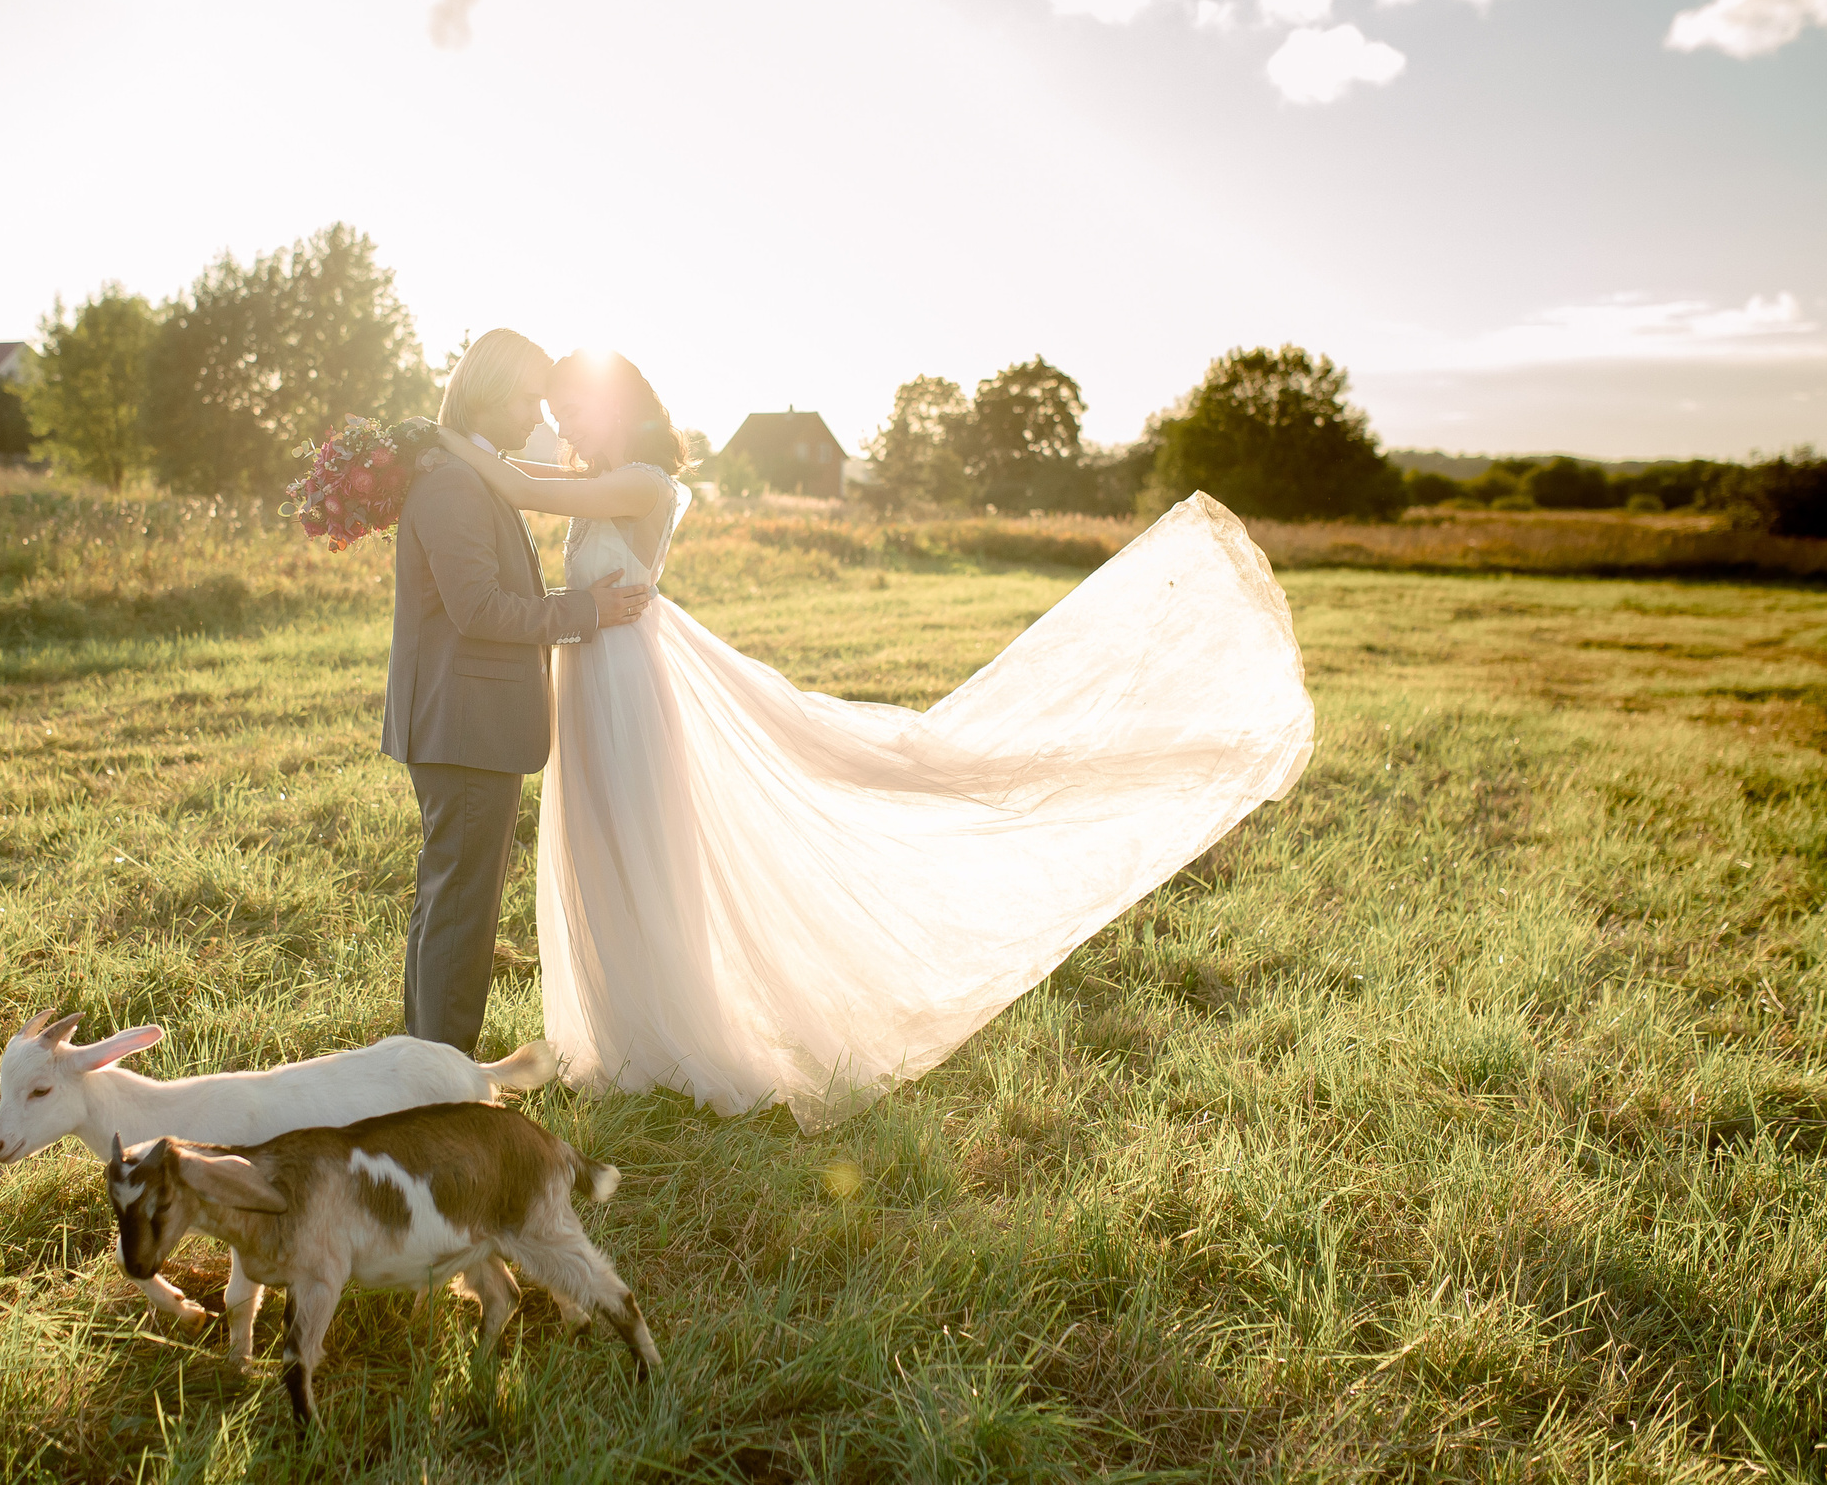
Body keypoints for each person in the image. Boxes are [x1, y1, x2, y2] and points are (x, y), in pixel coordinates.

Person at [426, 349, 1317, 1128]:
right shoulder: (604, 479)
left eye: (574, 403)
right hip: (590, 683)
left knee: (642, 851)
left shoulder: (642, 483)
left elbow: (525, 486)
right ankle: (620, 1039)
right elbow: (537, 489)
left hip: (625, 690)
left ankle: (669, 1042)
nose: (559, 419)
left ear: (617, 404)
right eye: (554, 407)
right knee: (602, 850)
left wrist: (428, 437)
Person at [382, 328, 647, 1057]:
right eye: (528, 397)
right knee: (462, 908)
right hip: (463, 725)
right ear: (488, 391)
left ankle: (426, 1060)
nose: (536, 415)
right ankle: (441, 1069)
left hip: (463, 723)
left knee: (451, 899)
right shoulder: (453, 482)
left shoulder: (467, 472)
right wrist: (585, 610)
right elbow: (482, 610)